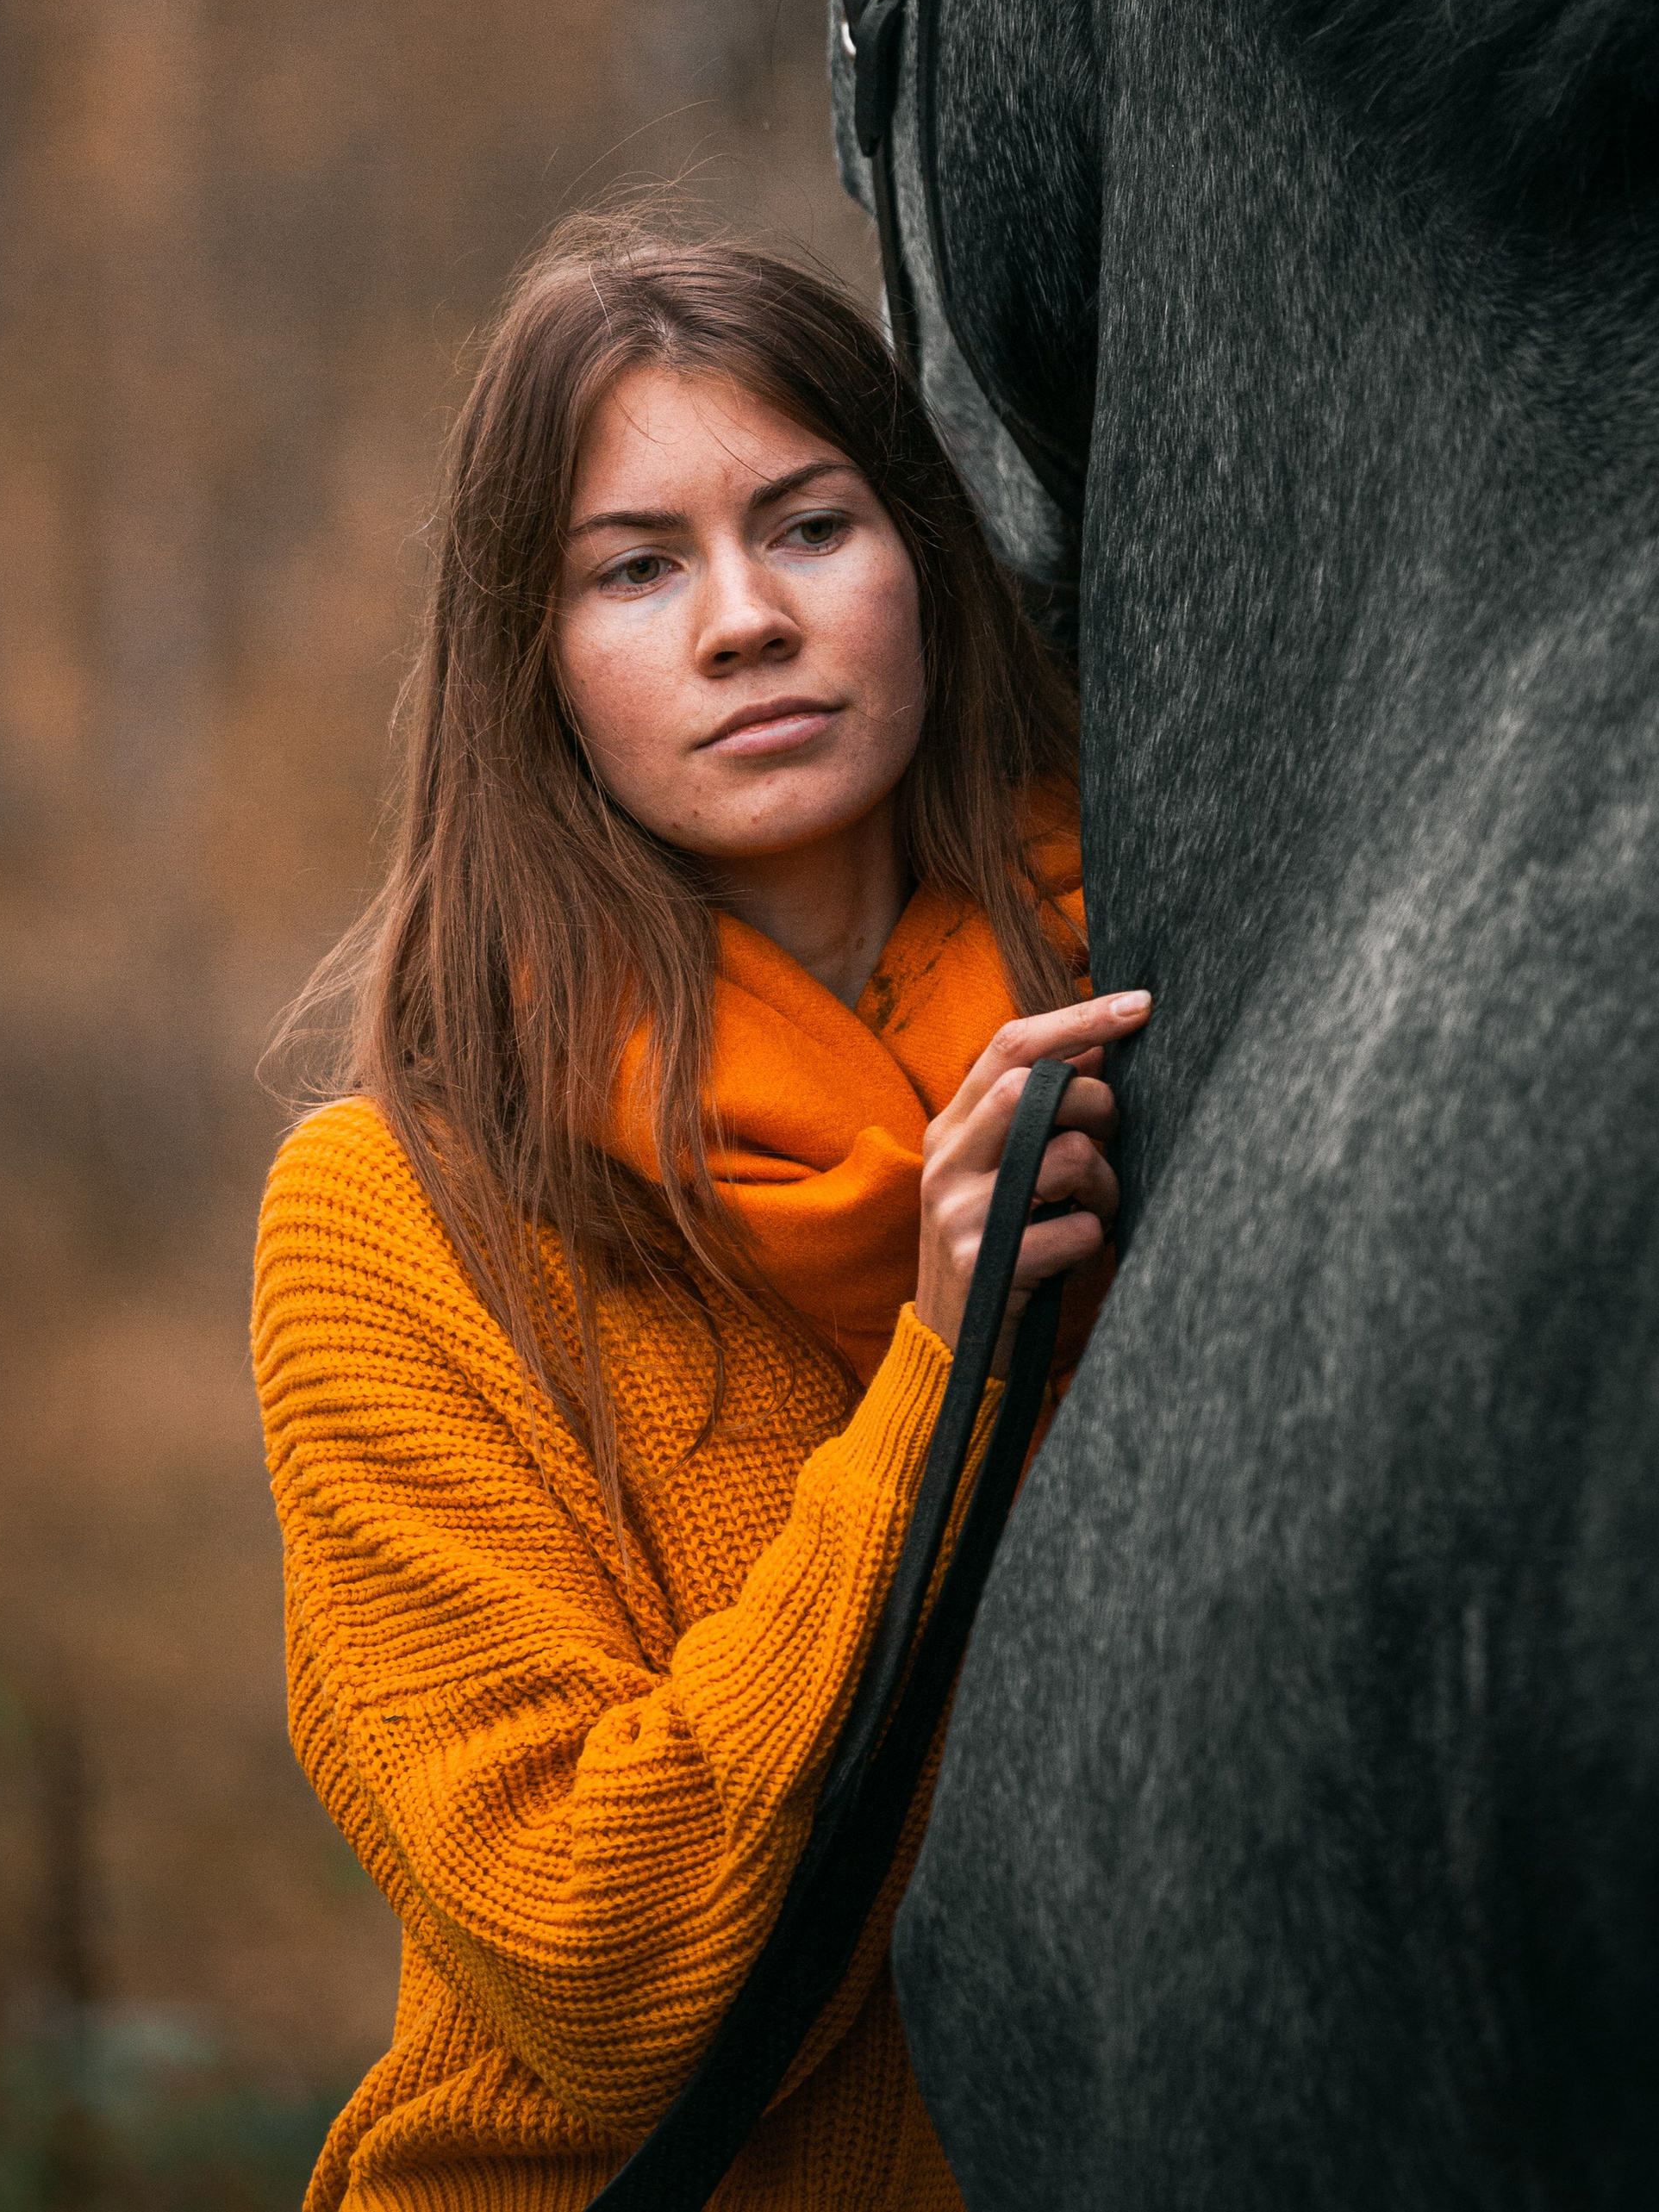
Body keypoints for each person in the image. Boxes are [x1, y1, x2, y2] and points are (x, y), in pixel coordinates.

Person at [253, 221, 1148, 2212]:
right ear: (536, 664)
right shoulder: (394, 1221)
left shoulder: (1162, 1051)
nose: (744, 620)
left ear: (923, 564)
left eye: (809, 526)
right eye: (635, 568)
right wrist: (943, 1376)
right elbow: (615, 1973)